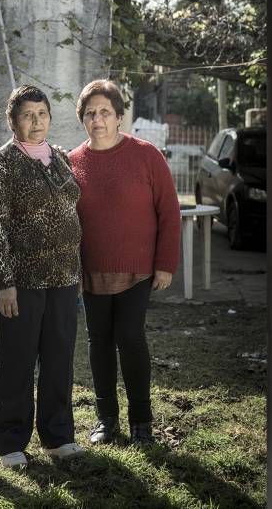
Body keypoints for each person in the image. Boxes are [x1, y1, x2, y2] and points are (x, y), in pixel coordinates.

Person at [69, 79, 179, 446]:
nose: (97, 119)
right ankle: (106, 420)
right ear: (82, 119)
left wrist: (165, 263)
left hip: (138, 269)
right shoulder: (72, 162)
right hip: (91, 270)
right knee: (98, 341)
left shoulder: (146, 155)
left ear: (119, 117)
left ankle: (141, 422)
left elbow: (169, 212)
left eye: (104, 112)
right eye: (90, 113)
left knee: (130, 338)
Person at [0, 85, 83, 468]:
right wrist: (4, 282)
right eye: (27, 115)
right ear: (12, 121)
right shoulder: (2, 164)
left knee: (60, 359)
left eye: (42, 114)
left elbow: (73, 214)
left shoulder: (59, 157)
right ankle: (9, 442)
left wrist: (79, 271)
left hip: (64, 277)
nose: (36, 122)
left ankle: (58, 437)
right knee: (17, 360)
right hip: (22, 281)